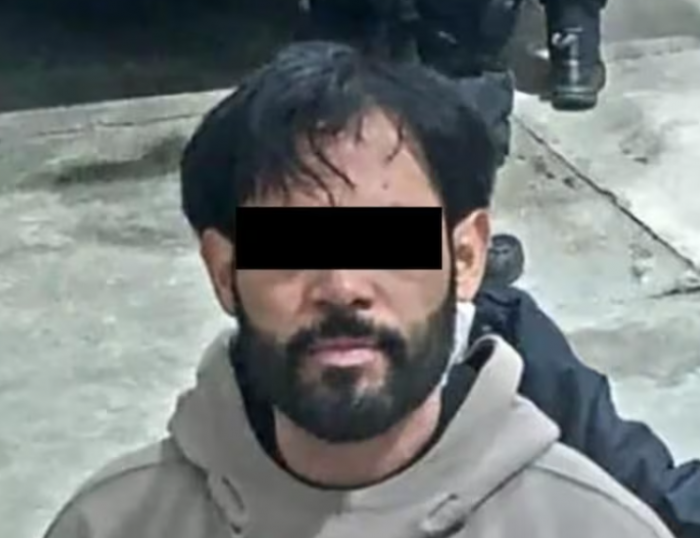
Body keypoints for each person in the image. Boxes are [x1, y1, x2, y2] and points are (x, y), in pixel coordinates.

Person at [43, 41, 674, 538]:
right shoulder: (110, 525)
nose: (342, 287)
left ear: (466, 257)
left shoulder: (596, 527)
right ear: (224, 272)